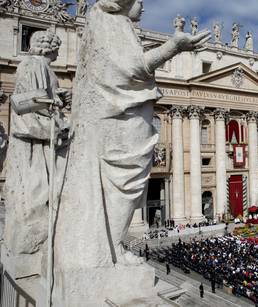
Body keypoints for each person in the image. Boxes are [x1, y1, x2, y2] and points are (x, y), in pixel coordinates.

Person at [54, 0, 210, 272]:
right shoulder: (110, 22)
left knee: (125, 182)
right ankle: (112, 245)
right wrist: (174, 46)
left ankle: (111, 245)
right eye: (139, 1)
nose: (142, 5)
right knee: (125, 182)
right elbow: (133, 68)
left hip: (118, 121)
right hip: (119, 123)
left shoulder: (105, 23)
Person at [3, 30, 71, 278]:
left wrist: (58, 97)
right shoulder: (35, 66)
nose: (59, 51)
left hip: (40, 137)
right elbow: (29, 102)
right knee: (38, 188)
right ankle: (36, 234)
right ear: (48, 47)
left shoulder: (38, 66)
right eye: (57, 46)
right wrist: (56, 109)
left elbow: (43, 97)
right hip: (36, 139)